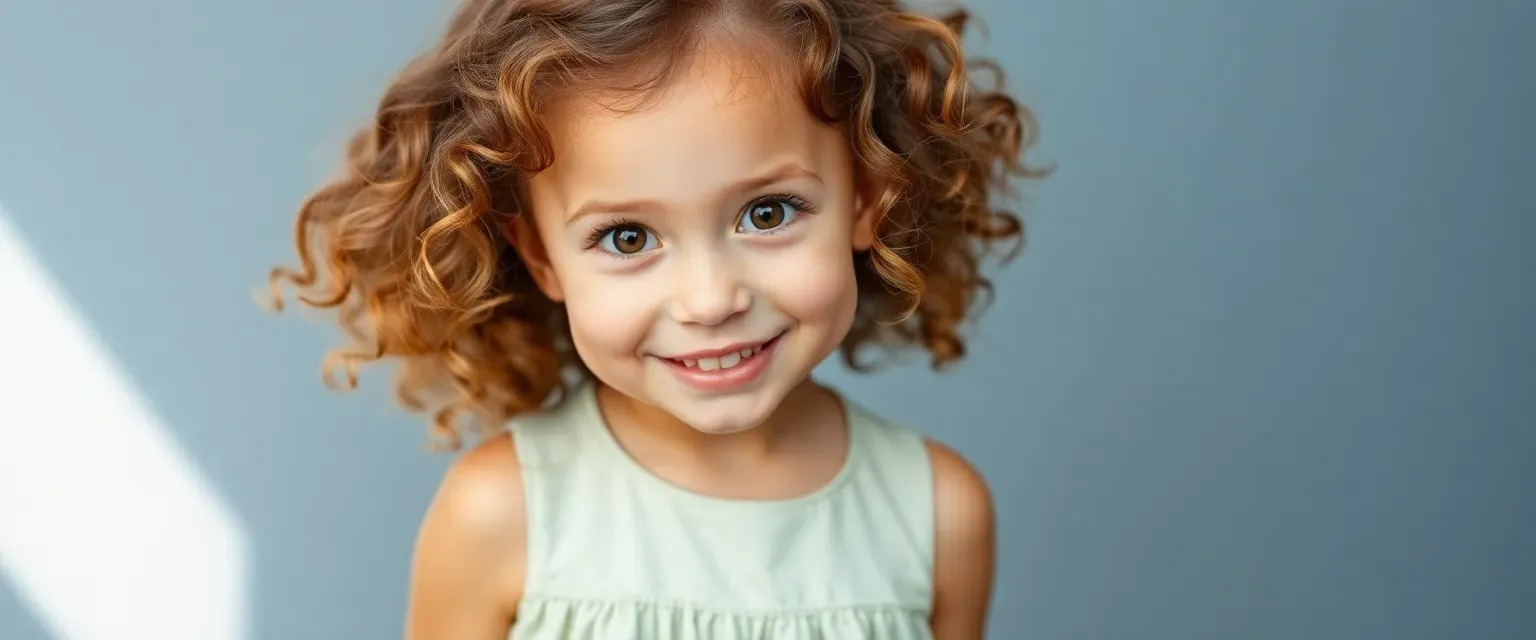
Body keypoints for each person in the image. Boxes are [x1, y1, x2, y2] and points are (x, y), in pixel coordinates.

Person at [268, 0, 1045, 637]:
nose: (710, 300)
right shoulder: (500, 515)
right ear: (541, 257)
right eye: (627, 237)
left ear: (870, 199)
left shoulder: (939, 514)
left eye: (768, 212)